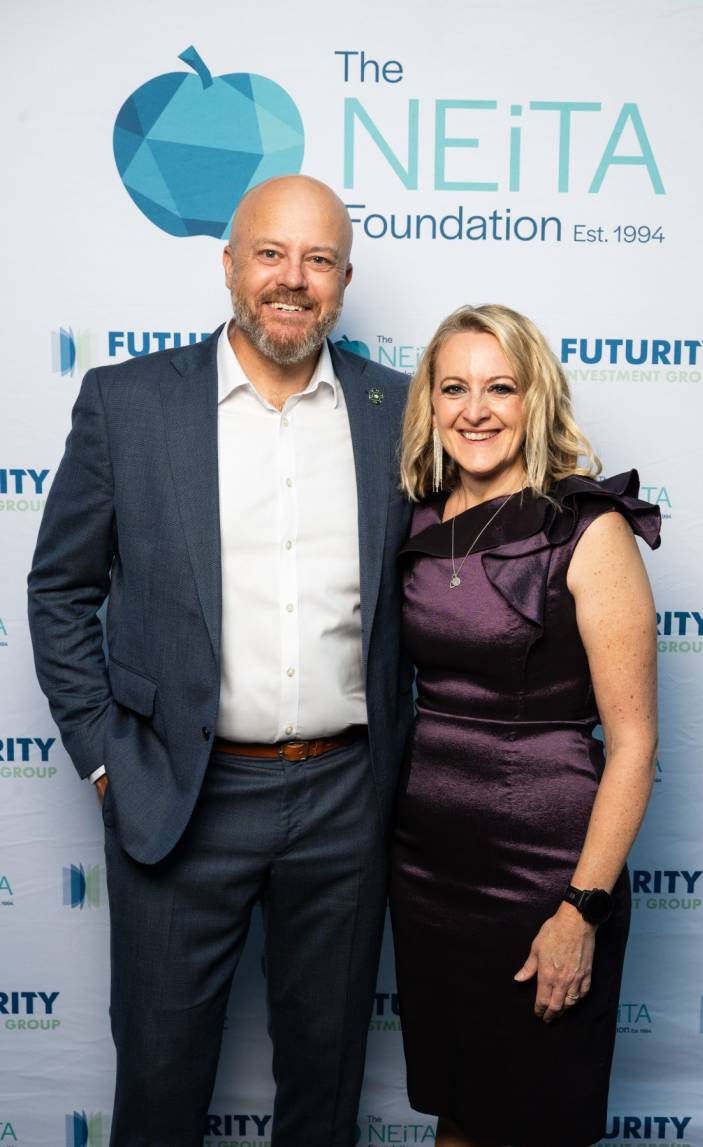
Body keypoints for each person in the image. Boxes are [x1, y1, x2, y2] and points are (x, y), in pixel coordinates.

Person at [27, 175, 414, 1147]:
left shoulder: (395, 411)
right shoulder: (128, 404)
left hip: (345, 801)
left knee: (324, 1090)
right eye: (271, 253)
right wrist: (108, 757)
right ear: (231, 264)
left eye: (319, 259)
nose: (294, 278)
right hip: (177, 795)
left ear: (345, 278)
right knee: (160, 1081)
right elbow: (60, 590)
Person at [390, 304, 660, 1147]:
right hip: (428, 869)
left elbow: (635, 745)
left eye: (500, 387)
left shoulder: (586, 530)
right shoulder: (415, 521)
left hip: (546, 871)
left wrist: (579, 908)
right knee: (458, 1110)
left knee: (538, 1115)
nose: (476, 409)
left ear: (534, 398)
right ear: (428, 405)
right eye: (454, 386)